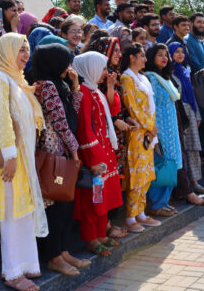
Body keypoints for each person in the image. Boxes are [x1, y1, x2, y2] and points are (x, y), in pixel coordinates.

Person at [0, 33, 48, 291]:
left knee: (21, 209)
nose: (25, 55)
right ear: (6, 52)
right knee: (11, 211)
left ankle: (26, 264)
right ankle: (12, 272)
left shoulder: (16, 80)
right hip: (9, 158)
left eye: (27, 50)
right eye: (19, 50)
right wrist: (10, 157)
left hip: (20, 157)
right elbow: (0, 119)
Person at [32, 44, 91, 275]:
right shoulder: (46, 86)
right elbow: (60, 123)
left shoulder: (59, 84)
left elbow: (72, 113)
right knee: (56, 205)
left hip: (64, 150)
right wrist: (75, 151)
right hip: (55, 152)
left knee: (66, 204)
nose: (69, 66)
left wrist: (75, 87)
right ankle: (54, 257)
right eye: (65, 61)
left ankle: (64, 252)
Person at [72, 52, 124, 256]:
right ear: (91, 69)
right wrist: (94, 159)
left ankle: (102, 234)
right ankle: (91, 239)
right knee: (91, 200)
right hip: (93, 157)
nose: (105, 73)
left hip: (104, 153)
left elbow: (111, 110)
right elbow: (84, 131)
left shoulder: (95, 91)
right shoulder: (83, 93)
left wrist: (110, 87)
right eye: (102, 69)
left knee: (104, 198)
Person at [120, 43, 160, 233]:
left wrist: (152, 128)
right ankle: (130, 216)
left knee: (146, 174)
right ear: (132, 58)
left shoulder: (142, 77)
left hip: (147, 132)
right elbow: (133, 108)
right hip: (137, 132)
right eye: (141, 56)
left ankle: (141, 213)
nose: (145, 59)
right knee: (137, 173)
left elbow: (150, 107)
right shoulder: (126, 78)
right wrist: (150, 126)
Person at [168, 43, 204, 196]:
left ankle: (195, 182)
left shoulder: (184, 72)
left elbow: (192, 95)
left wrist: (197, 115)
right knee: (182, 150)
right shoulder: (168, 73)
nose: (180, 55)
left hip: (190, 113)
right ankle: (184, 185)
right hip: (178, 115)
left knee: (193, 149)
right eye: (176, 52)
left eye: (182, 52)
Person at [145, 44, 181, 217]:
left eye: (166, 54)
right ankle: (156, 204)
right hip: (158, 128)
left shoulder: (165, 77)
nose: (164, 57)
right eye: (159, 55)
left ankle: (163, 202)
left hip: (171, 127)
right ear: (151, 57)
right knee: (160, 164)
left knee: (170, 163)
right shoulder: (150, 78)